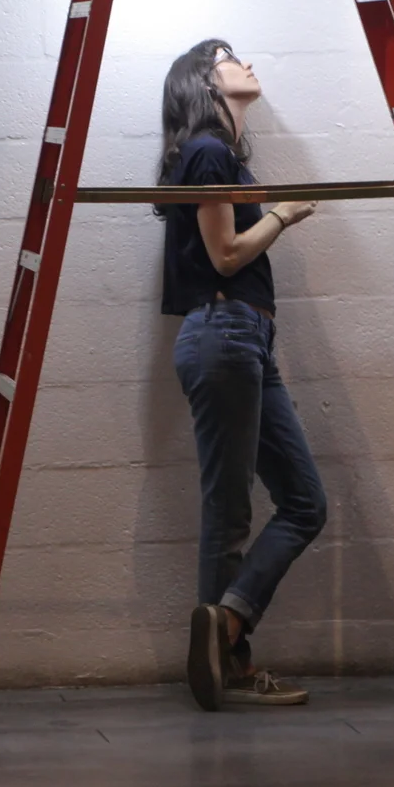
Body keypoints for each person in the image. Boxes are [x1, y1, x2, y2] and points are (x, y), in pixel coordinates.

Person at [156, 39, 326, 713]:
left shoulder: (218, 155)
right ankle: (226, 663)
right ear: (205, 81)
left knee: (304, 502)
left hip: (243, 337)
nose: (246, 62)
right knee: (229, 511)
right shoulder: (207, 151)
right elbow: (226, 255)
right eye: (229, 55)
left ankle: (224, 627)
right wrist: (281, 214)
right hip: (225, 331)